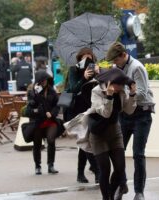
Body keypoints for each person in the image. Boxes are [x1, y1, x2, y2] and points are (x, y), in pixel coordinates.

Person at [106, 42, 155, 200]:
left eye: (115, 60)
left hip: (141, 114)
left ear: (122, 55)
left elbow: (142, 92)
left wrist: (125, 92)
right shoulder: (117, 69)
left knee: (138, 154)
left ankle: (139, 192)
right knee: (116, 152)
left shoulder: (136, 67)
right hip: (124, 114)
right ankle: (122, 184)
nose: (114, 63)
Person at [89, 68, 137, 200]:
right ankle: (107, 197)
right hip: (99, 134)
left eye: (123, 85)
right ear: (111, 82)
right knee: (105, 170)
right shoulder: (96, 91)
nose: (121, 87)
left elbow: (129, 110)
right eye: (119, 85)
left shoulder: (121, 91)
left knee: (120, 167)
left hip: (115, 131)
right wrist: (109, 96)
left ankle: (111, 193)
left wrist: (132, 95)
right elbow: (105, 113)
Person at [64, 47, 100, 183]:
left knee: (87, 141)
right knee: (86, 140)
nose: (87, 59)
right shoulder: (74, 70)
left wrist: (98, 73)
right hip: (78, 109)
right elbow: (73, 89)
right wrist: (84, 78)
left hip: (92, 107)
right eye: (84, 57)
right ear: (79, 58)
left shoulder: (95, 69)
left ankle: (81, 173)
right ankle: (97, 171)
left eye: (89, 57)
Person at [26, 71, 62, 175]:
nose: (45, 82)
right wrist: (37, 95)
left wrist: (52, 113)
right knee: (37, 143)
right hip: (37, 121)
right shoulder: (32, 91)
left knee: (51, 140)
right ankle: (37, 165)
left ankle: (51, 165)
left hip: (50, 121)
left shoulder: (51, 91)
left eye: (46, 80)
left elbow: (57, 104)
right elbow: (31, 106)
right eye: (43, 80)